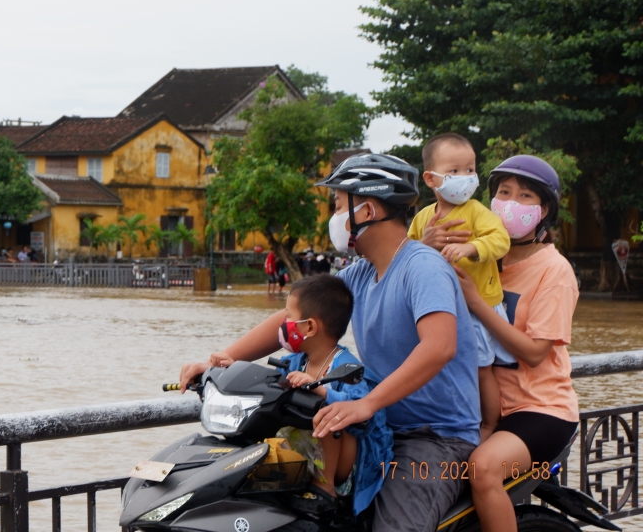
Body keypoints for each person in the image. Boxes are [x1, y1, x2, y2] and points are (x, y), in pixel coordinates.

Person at [181, 154, 480, 531]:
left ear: (367, 210)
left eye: (339, 205)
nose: (334, 217)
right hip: (379, 425)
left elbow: (439, 347)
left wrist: (366, 404)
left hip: (433, 438)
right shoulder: (361, 273)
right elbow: (295, 318)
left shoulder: (422, 267)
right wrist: (222, 359)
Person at [448, 155, 579, 532]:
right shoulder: (479, 255)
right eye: (504, 192)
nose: (511, 202)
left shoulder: (554, 270)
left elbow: (537, 352)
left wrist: (476, 302)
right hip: (478, 404)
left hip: (540, 409)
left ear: (544, 212)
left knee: (483, 469)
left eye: (525, 196)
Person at [409, 133, 512, 440]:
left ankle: (489, 426)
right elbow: (405, 255)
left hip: (479, 307)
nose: (465, 178)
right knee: (445, 367)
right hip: (444, 308)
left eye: (470, 169)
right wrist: (425, 243)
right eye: (454, 171)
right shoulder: (424, 218)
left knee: (482, 370)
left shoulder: (477, 211)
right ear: (431, 178)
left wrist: (472, 248)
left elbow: (500, 240)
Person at [275, 275, 392, 515]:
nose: (283, 322)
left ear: (309, 326)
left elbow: (361, 411)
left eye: (288, 316)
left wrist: (320, 389)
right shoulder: (295, 362)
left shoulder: (348, 369)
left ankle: (325, 488)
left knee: (328, 409)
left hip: (345, 470)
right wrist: (232, 365)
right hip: (308, 455)